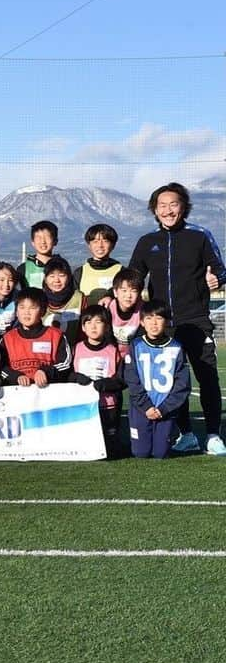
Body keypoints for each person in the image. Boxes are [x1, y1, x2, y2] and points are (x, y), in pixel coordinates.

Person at [129, 182, 226, 456]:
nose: (168, 210)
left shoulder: (200, 236)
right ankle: (185, 434)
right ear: (154, 210)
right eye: (162, 205)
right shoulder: (147, 242)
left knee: (206, 377)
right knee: (172, 382)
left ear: (183, 207)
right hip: (163, 324)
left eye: (173, 204)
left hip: (195, 320)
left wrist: (216, 277)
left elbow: (221, 269)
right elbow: (133, 278)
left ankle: (213, 434)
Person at [123, 300, 191, 459]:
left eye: (159, 318)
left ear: (167, 321)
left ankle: (168, 435)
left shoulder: (176, 347)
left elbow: (182, 384)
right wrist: (146, 406)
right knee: (140, 453)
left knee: (161, 453)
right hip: (141, 408)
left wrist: (165, 408)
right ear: (141, 322)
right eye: (149, 318)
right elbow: (132, 379)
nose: (154, 323)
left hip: (165, 409)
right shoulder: (136, 345)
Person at [71, 304, 125, 458]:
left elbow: (121, 380)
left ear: (107, 327)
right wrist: (76, 378)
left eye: (98, 322)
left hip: (108, 405)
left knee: (110, 449)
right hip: (83, 405)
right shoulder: (76, 349)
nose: (93, 326)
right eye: (89, 322)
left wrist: (107, 384)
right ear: (83, 327)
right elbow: (68, 375)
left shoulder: (113, 350)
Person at [1, 288, 72, 387]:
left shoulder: (56, 335)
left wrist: (46, 372)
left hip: (48, 393)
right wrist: (15, 376)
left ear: (43, 311)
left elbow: (65, 364)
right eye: (22, 307)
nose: (27, 312)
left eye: (32, 308)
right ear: (16, 311)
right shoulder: (7, 338)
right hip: (17, 395)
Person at [74, 224, 122, 306]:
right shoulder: (80, 272)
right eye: (95, 241)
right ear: (89, 245)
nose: (100, 246)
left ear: (113, 245)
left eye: (105, 241)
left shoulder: (121, 271)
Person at [101, 268, 143, 358]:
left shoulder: (143, 311)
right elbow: (106, 338)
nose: (128, 295)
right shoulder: (108, 309)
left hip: (135, 355)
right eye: (124, 290)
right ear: (115, 293)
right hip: (111, 354)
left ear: (139, 294)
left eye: (133, 291)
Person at [41, 257, 84, 344]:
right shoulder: (39, 298)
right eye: (52, 276)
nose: (56, 280)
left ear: (68, 277)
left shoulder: (79, 298)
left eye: (61, 275)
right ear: (45, 279)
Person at [16, 220, 62, 290]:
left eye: (47, 237)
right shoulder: (23, 269)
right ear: (33, 242)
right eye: (39, 237)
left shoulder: (62, 267)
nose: (43, 241)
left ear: (55, 241)